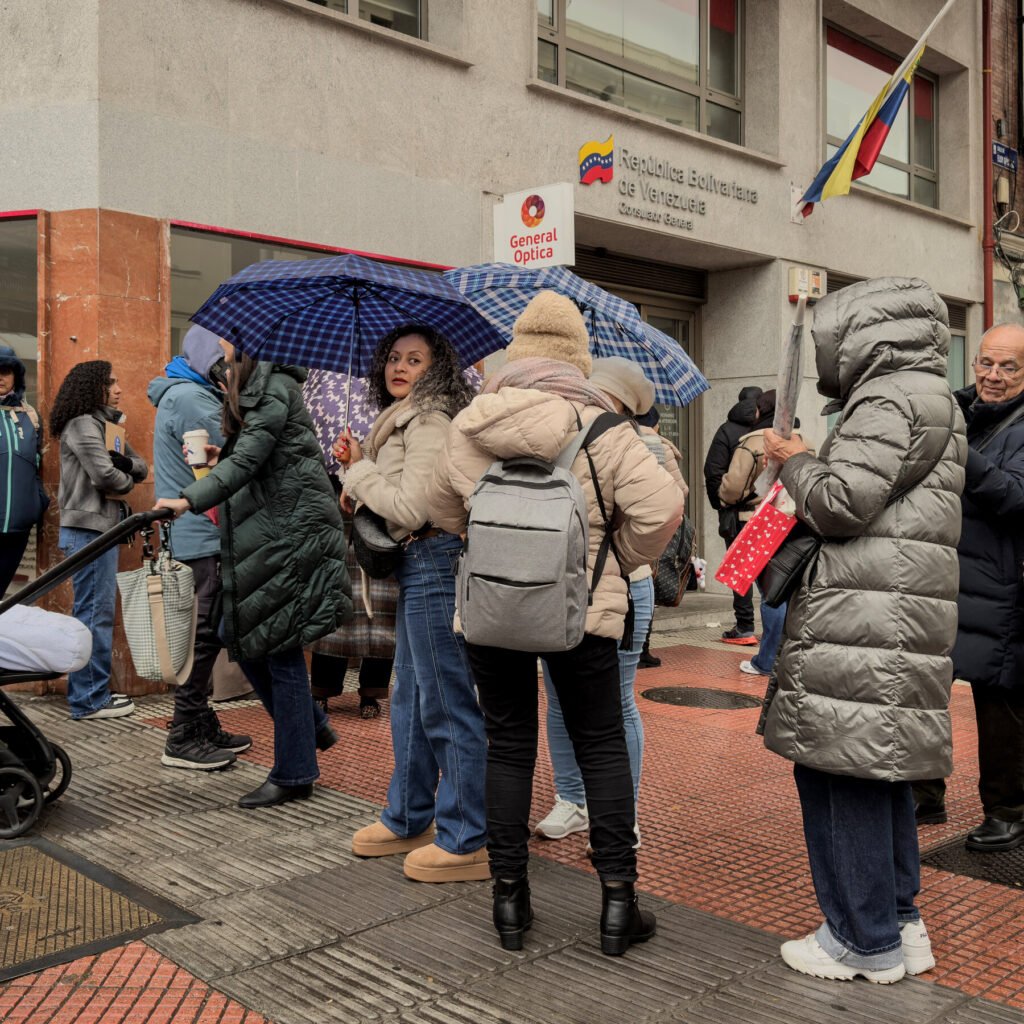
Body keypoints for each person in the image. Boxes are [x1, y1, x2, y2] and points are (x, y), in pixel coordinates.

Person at [427, 291, 683, 955]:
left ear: (516, 353)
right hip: (584, 611)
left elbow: (440, 508)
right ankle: (619, 906)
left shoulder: (471, 424)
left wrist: (489, 542)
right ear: (578, 359)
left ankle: (509, 902)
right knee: (600, 743)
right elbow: (662, 512)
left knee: (508, 745)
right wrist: (610, 558)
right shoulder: (606, 429)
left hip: (492, 612)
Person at [759, 277, 965, 984]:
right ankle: (899, 924)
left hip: (863, 618)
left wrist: (795, 460)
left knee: (837, 769)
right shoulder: (930, 394)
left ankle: (860, 939)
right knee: (879, 772)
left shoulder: (885, 399)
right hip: (892, 613)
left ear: (862, 336)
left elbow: (842, 502)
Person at [155, 347, 352, 808]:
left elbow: (248, 463)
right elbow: (255, 456)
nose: (221, 346)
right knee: (235, 631)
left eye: (228, 341)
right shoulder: (255, 387)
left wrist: (187, 499)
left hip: (290, 534)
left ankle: (295, 772)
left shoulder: (273, 387)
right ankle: (310, 728)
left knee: (278, 650)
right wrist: (220, 453)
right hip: (272, 532)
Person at [340, 323, 488, 883]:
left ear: (437, 368)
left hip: (434, 561)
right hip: (416, 564)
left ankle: (468, 837)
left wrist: (361, 471)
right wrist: (360, 469)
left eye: (415, 359)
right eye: (394, 358)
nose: (399, 367)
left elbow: (411, 508)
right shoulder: (401, 420)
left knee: (445, 701)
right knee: (409, 698)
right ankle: (408, 816)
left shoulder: (429, 420)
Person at [534, 356, 686, 844]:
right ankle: (572, 799)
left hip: (625, 586)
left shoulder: (643, 444)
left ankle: (624, 812)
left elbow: (669, 511)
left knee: (616, 702)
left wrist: (621, 556)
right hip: (563, 583)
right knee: (559, 699)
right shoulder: (560, 432)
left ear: (621, 403)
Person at [912, 323, 1024, 848]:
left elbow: (1015, 497)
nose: (993, 375)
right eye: (986, 362)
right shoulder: (956, 411)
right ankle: (923, 795)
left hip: (1003, 589)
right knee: (922, 691)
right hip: (940, 578)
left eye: (1009, 367)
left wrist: (956, 448)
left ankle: (1009, 810)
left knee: (1000, 704)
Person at [148, 325, 252, 770]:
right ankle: (183, 733)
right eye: (225, 360)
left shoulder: (189, 392)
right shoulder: (191, 398)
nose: (230, 369)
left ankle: (199, 720)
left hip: (199, 532)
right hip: (200, 533)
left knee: (206, 633)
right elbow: (237, 455)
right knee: (205, 636)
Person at [50, 360, 148, 720]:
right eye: (112, 382)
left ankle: (91, 694)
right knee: (94, 614)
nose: (119, 389)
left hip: (100, 529)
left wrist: (125, 467)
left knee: (97, 612)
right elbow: (106, 476)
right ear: (94, 387)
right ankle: (89, 699)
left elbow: (141, 465)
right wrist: (125, 476)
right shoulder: (82, 424)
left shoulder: (105, 426)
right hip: (88, 531)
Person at [717, 389, 804, 679]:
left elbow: (732, 487)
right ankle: (786, 656)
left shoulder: (753, 441)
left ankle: (766, 660)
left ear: (761, 411)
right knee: (790, 590)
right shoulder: (804, 442)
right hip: (797, 521)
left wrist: (727, 498)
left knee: (770, 593)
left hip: (762, 521)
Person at [704, 385, 765, 646]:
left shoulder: (726, 431)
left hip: (736, 512)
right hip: (769, 511)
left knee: (740, 569)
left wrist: (721, 504)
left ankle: (745, 626)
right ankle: (775, 628)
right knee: (770, 570)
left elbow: (712, 471)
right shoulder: (769, 432)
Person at [633, 405, 686, 669]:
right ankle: (642, 648)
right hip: (655, 527)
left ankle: (627, 643)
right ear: (656, 424)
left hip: (626, 525)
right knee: (647, 582)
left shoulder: (622, 442)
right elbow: (681, 490)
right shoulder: (661, 447)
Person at [0, 344, 48, 596]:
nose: (0, 377)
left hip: (18, 527)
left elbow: (37, 463)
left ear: (15, 376)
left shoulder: (30, 416)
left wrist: (37, 502)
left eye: (5, 371)